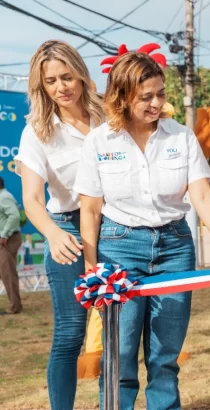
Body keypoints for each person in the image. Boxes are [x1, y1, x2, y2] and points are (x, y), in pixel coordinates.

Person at [74, 52, 210, 410]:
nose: (157, 103)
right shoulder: (99, 142)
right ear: (122, 97)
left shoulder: (181, 137)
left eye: (160, 94)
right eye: (146, 97)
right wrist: (92, 264)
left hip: (175, 248)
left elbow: (200, 192)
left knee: (164, 357)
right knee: (119, 355)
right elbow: (90, 208)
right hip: (118, 250)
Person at [14, 39, 104, 409]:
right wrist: (53, 234)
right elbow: (33, 200)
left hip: (118, 228)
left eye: (66, 77)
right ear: (41, 86)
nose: (60, 87)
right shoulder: (36, 131)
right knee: (70, 335)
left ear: (81, 75)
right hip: (67, 231)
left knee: (120, 336)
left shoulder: (110, 117)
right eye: (50, 81)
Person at [0, 176, 22, 315]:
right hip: (6, 239)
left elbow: (14, 216)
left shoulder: (4, 197)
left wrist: (4, 234)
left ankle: (15, 307)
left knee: (8, 273)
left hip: (7, 240)